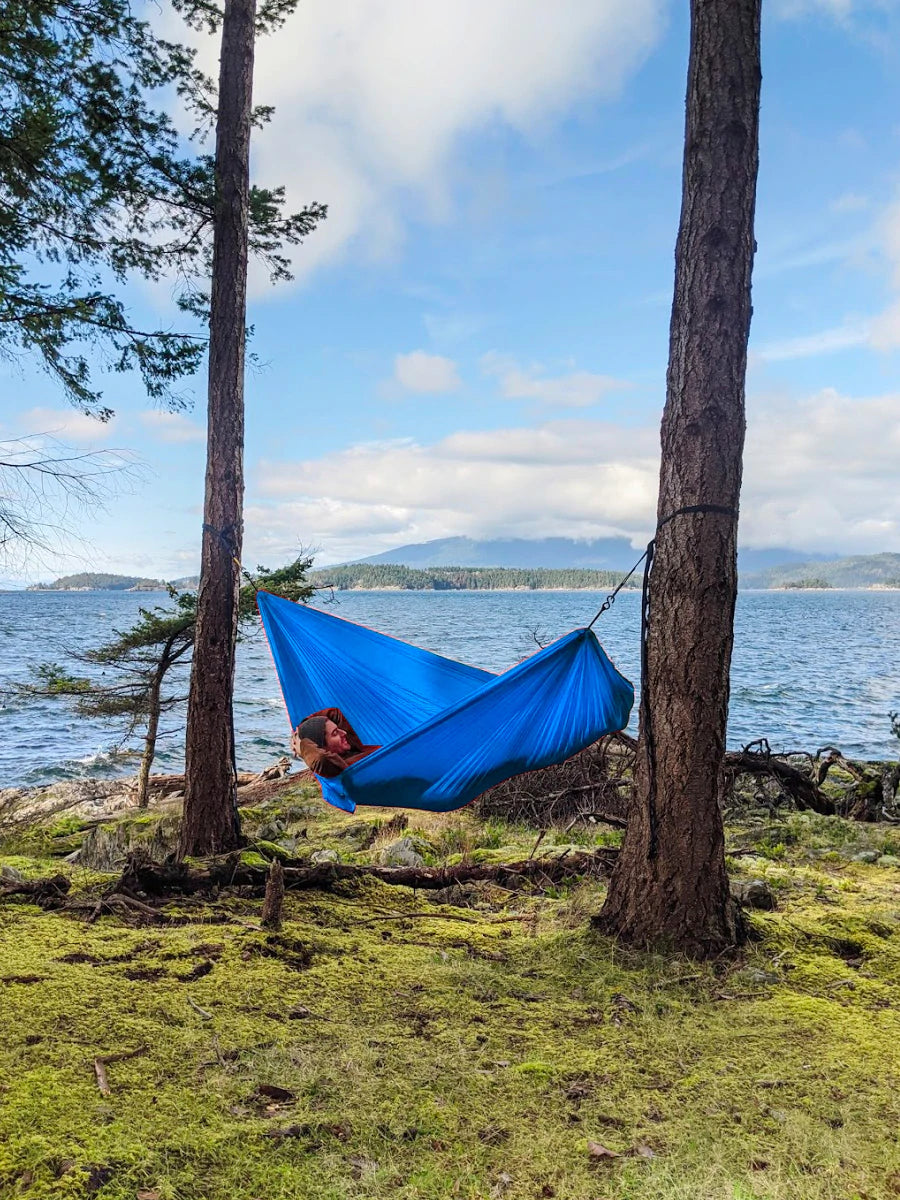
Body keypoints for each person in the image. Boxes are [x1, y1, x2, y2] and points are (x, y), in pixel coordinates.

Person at [291, 706, 379, 778]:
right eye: (335, 733)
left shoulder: (350, 746)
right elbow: (320, 758)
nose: (344, 733)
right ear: (323, 747)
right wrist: (301, 746)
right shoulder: (337, 766)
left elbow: (334, 713)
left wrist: (301, 729)